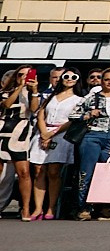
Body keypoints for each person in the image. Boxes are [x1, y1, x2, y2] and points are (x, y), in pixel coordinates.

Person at [26, 67, 81, 222]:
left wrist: (52, 134)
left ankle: (51, 206)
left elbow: (72, 120)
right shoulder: (51, 96)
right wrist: (44, 133)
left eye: (73, 77)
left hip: (61, 135)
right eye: (66, 76)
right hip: (43, 132)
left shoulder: (78, 99)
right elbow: (40, 114)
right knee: (38, 170)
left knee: (54, 171)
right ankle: (38, 208)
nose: (69, 79)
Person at [74, 69, 110, 221]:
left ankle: (106, 207)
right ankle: (83, 207)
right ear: (102, 81)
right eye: (106, 79)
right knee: (86, 172)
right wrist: (88, 115)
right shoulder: (91, 97)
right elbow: (73, 114)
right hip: (92, 136)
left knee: (108, 174)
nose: (109, 82)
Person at [3, 68, 38, 219]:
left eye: (27, 75)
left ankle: (25, 208)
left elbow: (34, 109)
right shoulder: (5, 92)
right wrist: (19, 87)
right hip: (3, 131)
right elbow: (7, 104)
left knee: (24, 172)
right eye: (20, 75)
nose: (23, 77)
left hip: (21, 133)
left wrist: (34, 91)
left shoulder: (31, 93)